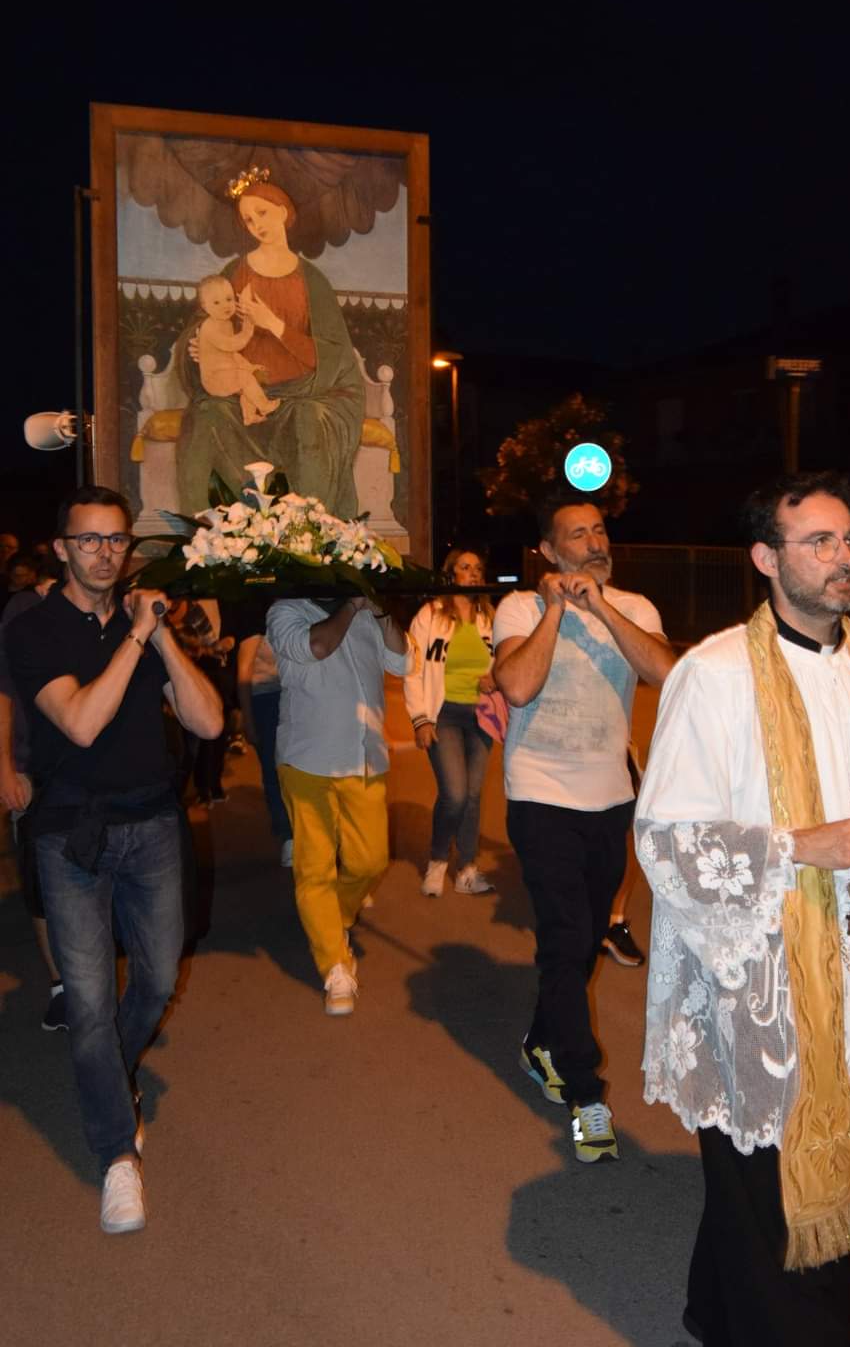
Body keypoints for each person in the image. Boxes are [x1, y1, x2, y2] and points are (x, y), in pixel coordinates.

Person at [634, 471, 850, 1347]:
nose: (843, 558)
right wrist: (795, 847)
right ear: (766, 560)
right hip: (756, 981)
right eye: (819, 542)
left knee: (767, 1183)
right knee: (781, 1193)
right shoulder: (714, 674)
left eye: (849, 540)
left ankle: (719, 1314)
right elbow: (666, 840)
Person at [10, 486, 222, 1235]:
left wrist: (161, 639)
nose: (105, 553)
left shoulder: (144, 625)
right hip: (70, 834)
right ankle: (116, 1156)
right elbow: (81, 723)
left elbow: (208, 720)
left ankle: (109, 1077)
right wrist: (137, 635)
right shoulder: (34, 629)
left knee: (159, 978)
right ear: (61, 548)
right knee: (91, 1000)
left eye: (116, 540)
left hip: (153, 823)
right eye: (89, 540)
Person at [493, 494, 675, 1163]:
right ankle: (584, 1096)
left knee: (583, 941)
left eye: (599, 531)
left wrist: (599, 606)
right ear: (548, 550)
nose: (595, 542)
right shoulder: (519, 608)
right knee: (564, 938)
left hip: (609, 799)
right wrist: (556, 610)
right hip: (540, 795)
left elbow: (666, 673)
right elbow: (516, 686)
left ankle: (540, 1041)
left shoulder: (634, 607)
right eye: (578, 534)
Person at [177, 175, 366, 518]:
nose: (256, 225)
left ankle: (309, 529)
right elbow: (205, 321)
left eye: (262, 213)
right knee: (208, 414)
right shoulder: (235, 271)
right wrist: (199, 347)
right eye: (248, 220)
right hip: (242, 394)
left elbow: (331, 354)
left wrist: (273, 324)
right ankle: (221, 531)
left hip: (302, 394)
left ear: (282, 211)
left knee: (311, 418)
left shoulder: (312, 280)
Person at [267, 593, 409, 1016]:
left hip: (364, 756)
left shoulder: (367, 615)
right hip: (307, 758)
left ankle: (334, 918)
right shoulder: (286, 610)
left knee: (370, 861)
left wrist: (379, 609)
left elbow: (403, 662)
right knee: (315, 868)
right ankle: (334, 965)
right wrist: (349, 606)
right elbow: (317, 646)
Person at [405, 548, 499, 897]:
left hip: (481, 717)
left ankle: (467, 870)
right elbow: (412, 669)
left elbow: (504, 660)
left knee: (472, 796)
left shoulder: (490, 617)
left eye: (478, 568)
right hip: (443, 716)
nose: (473, 573)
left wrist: (495, 678)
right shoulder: (430, 615)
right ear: (451, 574)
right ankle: (438, 860)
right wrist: (420, 719)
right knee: (455, 794)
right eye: (465, 567)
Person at [0, 558, 66, 1029]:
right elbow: (3, 691)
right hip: (33, 772)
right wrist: (7, 767)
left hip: (90, 772)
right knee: (44, 885)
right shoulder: (24, 608)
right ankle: (62, 986)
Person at [235, 605, 293, 866]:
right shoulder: (255, 622)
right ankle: (287, 834)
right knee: (273, 770)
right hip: (265, 701)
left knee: (296, 768)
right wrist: (248, 720)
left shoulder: (290, 613)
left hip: (292, 697)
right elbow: (244, 672)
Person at [192, 273, 280, 425]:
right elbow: (232, 345)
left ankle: (249, 416)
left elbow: (232, 354)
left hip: (226, 372)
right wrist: (247, 331)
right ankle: (265, 406)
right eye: (216, 302)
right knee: (245, 378)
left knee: (249, 382)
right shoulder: (209, 327)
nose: (225, 305)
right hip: (214, 379)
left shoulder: (226, 323)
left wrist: (249, 366)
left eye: (229, 299)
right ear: (205, 307)